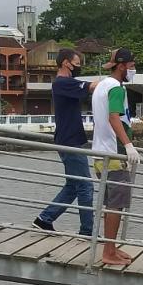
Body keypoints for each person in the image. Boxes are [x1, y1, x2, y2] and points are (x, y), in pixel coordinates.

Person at [33, 49, 97, 235]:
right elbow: (91, 87)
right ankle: (87, 232)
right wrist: (113, 81)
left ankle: (44, 219)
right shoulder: (62, 83)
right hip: (70, 141)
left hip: (70, 139)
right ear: (66, 63)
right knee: (85, 186)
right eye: (77, 62)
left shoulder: (66, 83)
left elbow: (87, 87)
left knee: (72, 186)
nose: (79, 66)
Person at [91, 48, 141, 265]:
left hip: (100, 152)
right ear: (121, 66)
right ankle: (108, 252)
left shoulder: (102, 85)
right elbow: (114, 117)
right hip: (114, 153)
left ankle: (110, 247)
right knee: (116, 205)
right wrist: (128, 145)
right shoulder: (116, 89)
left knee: (111, 204)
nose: (133, 70)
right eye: (131, 66)